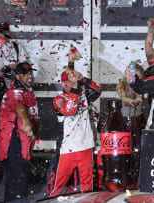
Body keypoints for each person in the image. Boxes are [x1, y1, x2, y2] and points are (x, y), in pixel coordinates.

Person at [47, 62, 101, 197]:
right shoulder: (58, 99)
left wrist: (83, 79)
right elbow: (69, 111)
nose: (66, 84)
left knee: (87, 189)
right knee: (56, 188)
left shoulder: (83, 95)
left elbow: (97, 90)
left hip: (86, 147)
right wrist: (75, 88)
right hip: (67, 149)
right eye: (64, 82)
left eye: (69, 81)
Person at [0, 62, 38, 202]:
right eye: (25, 74)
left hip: (22, 146)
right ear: (17, 76)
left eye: (30, 73)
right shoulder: (15, 92)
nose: (29, 76)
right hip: (14, 145)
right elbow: (19, 105)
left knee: (19, 185)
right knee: (17, 188)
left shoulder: (27, 91)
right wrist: (26, 122)